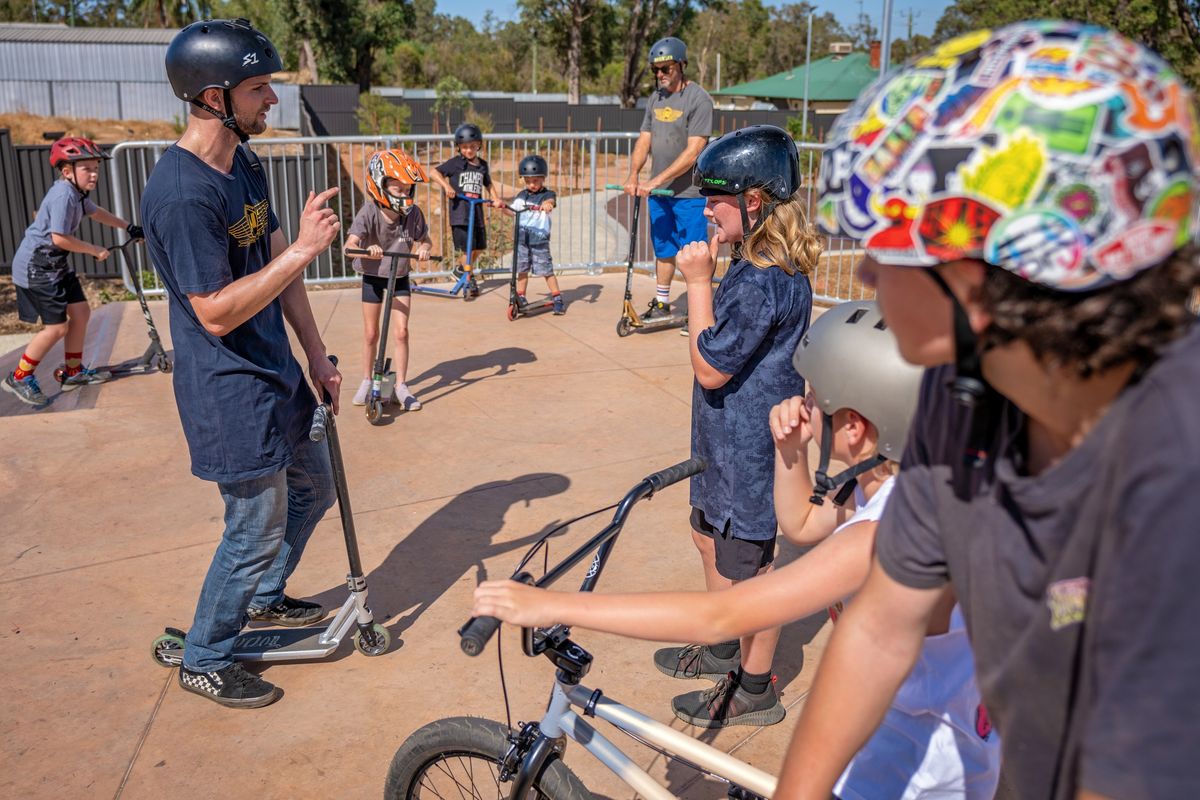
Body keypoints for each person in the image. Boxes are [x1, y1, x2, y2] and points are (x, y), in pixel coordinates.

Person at [780, 20, 1200, 800]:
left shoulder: (1175, 471)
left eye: (887, 250)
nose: (867, 273)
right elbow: (880, 626)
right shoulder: (965, 390)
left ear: (978, 282)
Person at [475, 302, 1002, 797]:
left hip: (911, 777)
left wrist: (550, 605)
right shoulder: (909, 482)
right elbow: (799, 523)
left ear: (856, 428)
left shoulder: (889, 536)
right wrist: (790, 452)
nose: (802, 403)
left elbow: (720, 615)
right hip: (907, 739)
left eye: (815, 398)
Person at [141, 18, 343, 709]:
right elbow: (215, 311)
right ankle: (206, 655)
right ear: (211, 97)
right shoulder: (181, 193)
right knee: (253, 527)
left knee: (314, 487)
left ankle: (260, 599)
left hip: (276, 369)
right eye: (260, 88)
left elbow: (278, 259)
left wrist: (316, 353)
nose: (273, 101)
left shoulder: (246, 161)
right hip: (227, 388)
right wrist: (302, 252)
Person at [651, 124, 815, 727]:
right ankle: (725, 645)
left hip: (749, 447)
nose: (704, 209)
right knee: (708, 538)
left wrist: (696, 284)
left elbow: (710, 367)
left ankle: (754, 686)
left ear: (753, 201)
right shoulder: (753, 261)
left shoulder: (768, 277)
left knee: (749, 571)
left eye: (714, 199)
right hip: (723, 439)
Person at [3, 137, 142, 407]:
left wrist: (129, 227)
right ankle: (19, 376)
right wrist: (94, 250)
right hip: (37, 266)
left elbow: (97, 212)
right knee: (56, 328)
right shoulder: (63, 195)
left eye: (96, 168)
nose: (94, 174)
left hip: (54, 265)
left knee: (80, 312)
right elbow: (59, 238)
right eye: (87, 169)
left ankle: (73, 371)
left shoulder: (77, 193)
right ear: (67, 172)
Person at [622, 36, 713, 321]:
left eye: (666, 69)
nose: (660, 75)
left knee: (694, 255)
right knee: (663, 248)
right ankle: (662, 302)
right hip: (659, 195)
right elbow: (644, 139)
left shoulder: (698, 99)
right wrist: (634, 175)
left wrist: (655, 181)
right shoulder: (655, 99)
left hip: (689, 194)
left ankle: (699, 312)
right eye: (655, 70)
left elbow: (694, 150)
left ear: (682, 65)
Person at [345, 148, 433, 411]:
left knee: (402, 332)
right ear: (380, 186)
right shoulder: (369, 212)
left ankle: (402, 385)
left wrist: (425, 247)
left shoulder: (413, 214)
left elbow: (425, 239)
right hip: (373, 276)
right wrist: (365, 247)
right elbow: (349, 245)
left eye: (407, 190)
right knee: (371, 333)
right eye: (398, 189)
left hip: (400, 277)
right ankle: (366, 379)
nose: (405, 195)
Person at [429, 122, 505, 293]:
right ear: (459, 147)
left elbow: (488, 184)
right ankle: (468, 278)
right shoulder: (455, 163)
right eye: (464, 147)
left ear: (478, 145)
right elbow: (434, 173)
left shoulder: (482, 165)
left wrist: (495, 199)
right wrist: (446, 187)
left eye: (472, 147)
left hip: (476, 213)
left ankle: (460, 270)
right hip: (460, 213)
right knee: (468, 248)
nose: (468, 150)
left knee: (479, 247)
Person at [509, 154, 564, 315]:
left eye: (535, 181)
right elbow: (512, 211)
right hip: (521, 240)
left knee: (546, 270)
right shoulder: (521, 196)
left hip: (539, 240)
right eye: (528, 181)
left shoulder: (547, 195)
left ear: (543, 179)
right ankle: (521, 296)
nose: (531, 185)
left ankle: (557, 297)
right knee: (522, 269)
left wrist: (547, 205)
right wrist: (500, 206)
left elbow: (551, 202)